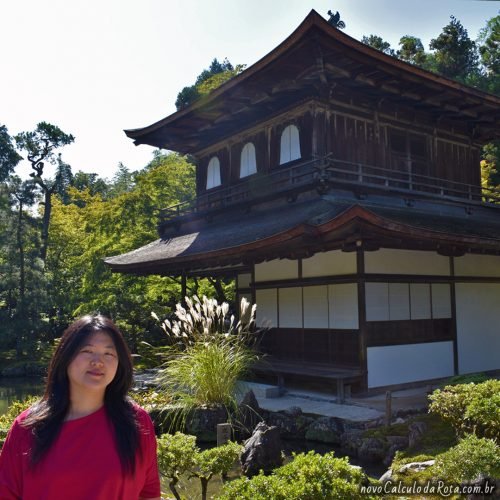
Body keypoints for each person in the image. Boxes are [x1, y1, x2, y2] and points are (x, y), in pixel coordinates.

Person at [0, 315, 161, 500]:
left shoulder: (137, 423)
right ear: (65, 357)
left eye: (108, 353)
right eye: (87, 351)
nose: (98, 361)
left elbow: (148, 494)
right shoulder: (28, 427)